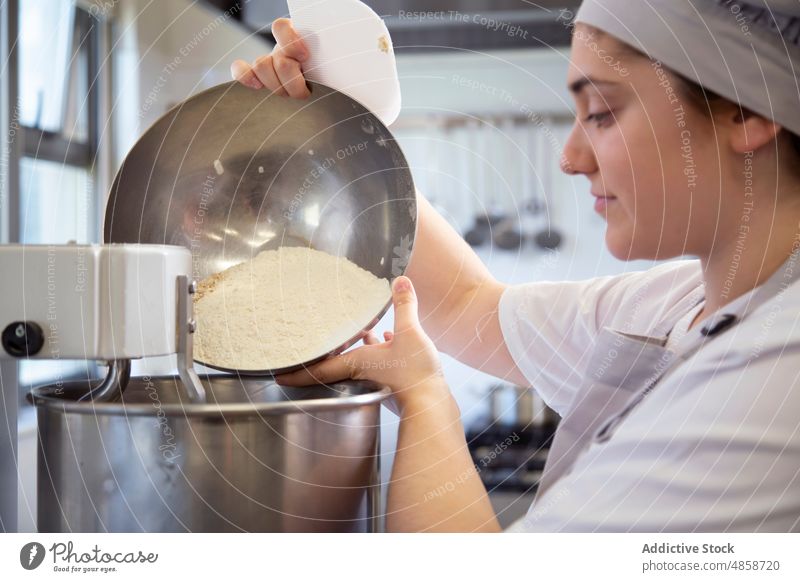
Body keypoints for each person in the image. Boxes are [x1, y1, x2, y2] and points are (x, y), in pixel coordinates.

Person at [231, 0, 800, 532]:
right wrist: (348, 128)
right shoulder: (672, 305)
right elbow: (465, 304)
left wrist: (425, 398)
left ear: (747, 112)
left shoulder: (777, 367)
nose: (571, 159)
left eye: (601, 113)